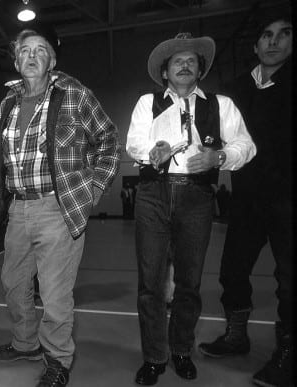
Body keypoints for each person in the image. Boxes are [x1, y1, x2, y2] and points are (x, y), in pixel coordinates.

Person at [0, 25, 120, 387]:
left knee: (54, 293)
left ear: (52, 60)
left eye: (40, 50)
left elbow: (109, 140)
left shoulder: (74, 94)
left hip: (57, 207)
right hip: (19, 208)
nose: (31, 56)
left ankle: (58, 361)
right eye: (24, 51)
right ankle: (25, 343)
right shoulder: (7, 103)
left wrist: (92, 189)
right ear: (16, 61)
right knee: (13, 284)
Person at [126, 32, 256, 385]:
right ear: (165, 72)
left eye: (191, 61)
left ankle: (181, 350)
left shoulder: (222, 105)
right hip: (153, 193)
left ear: (200, 70)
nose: (184, 65)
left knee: (189, 283)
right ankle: (154, 356)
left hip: (197, 197)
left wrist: (221, 156)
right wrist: (152, 151)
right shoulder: (145, 103)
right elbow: (134, 143)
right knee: (150, 285)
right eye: (176, 61)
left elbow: (246, 144)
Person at [198, 13, 293, 387]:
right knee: (232, 271)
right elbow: (209, 137)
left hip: (288, 200)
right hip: (247, 198)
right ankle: (236, 336)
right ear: (255, 46)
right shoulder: (232, 91)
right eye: (267, 35)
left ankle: (287, 351)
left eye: (284, 34)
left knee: (289, 279)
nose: (274, 41)